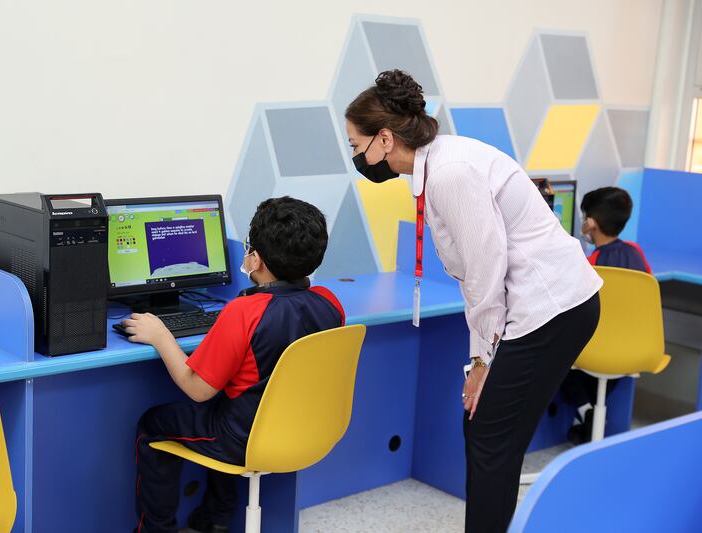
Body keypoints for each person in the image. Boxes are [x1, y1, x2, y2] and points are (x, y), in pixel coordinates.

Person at [344, 69, 602, 533]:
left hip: (551, 307)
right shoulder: (433, 165)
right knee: (486, 430)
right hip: (537, 305)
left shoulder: (449, 173)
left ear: (384, 139)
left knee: (488, 435)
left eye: (355, 146)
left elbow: (486, 268)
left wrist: (482, 359)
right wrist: (481, 356)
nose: (356, 157)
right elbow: (478, 271)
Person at [124, 197, 345, 533]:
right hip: (305, 430)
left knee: (152, 424)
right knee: (226, 402)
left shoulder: (244, 312)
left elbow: (197, 388)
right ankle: (213, 520)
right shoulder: (330, 304)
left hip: (243, 438)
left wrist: (160, 335)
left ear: (254, 259)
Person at [562, 186, 651, 443]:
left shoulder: (591, 262)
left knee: (555, 351)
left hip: (597, 349)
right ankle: (591, 415)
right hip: (633, 346)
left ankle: (584, 410)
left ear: (591, 223)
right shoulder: (636, 252)